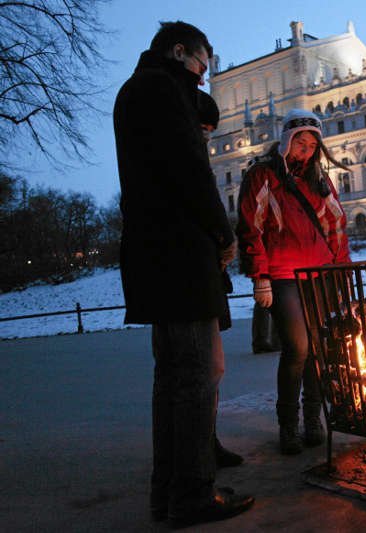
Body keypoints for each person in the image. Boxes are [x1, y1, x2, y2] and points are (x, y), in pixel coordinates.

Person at [113, 21, 254, 527]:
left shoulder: (133, 91)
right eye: (200, 67)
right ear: (179, 52)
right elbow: (192, 172)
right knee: (193, 378)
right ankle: (193, 493)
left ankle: (167, 491)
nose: (201, 79)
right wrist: (224, 233)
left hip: (153, 256)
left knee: (171, 378)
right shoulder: (164, 89)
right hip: (180, 254)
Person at [236, 109, 351, 455]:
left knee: (318, 348)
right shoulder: (263, 175)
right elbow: (250, 226)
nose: (306, 150)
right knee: (297, 348)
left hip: (321, 273)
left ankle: (313, 419)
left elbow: (336, 226)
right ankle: (288, 423)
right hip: (284, 275)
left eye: (312, 145)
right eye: (300, 142)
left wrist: (341, 269)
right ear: (286, 140)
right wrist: (261, 277)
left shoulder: (319, 180)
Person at [196, 89, 245, 469]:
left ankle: (204, 444)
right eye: (206, 131)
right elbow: (207, 202)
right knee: (202, 370)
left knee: (208, 370)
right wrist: (225, 239)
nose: (210, 140)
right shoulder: (183, 159)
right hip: (191, 278)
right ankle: (197, 458)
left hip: (205, 275)